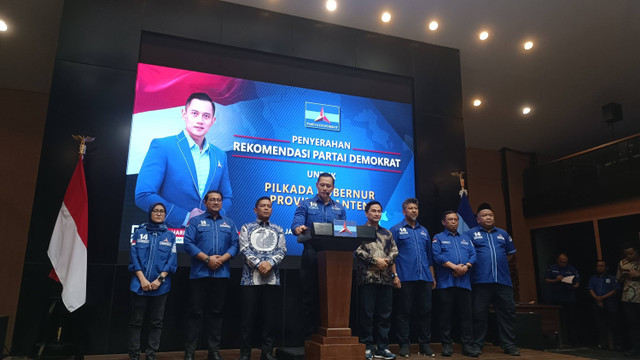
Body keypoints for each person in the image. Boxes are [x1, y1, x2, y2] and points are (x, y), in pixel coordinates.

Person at [135, 92, 233, 227]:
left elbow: (227, 197)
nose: (200, 120)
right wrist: (185, 217)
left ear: (212, 121)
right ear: (184, 114)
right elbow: (143, 195)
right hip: (168, 235)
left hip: (207, 237)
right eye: (194, 113)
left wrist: (214, 216)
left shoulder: (220, 155)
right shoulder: (163, 146)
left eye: (206, 116)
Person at [183, 190, 239, 360]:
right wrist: (207, 259)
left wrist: (222, 259)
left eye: (219, 200)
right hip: (200, 274)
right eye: (212, 200)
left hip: (221, 274)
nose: (216, 202)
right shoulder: (195, 221)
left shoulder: (229, 223)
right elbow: (188, 243)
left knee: (216, 313)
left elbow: (235, 245)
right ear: (206, 203)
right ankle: (190, 351)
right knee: (195, 313)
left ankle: (213, 351)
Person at [291, 172, 346, 339]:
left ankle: (329, 334)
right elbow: (295, 225)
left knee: (331, 297)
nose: (325, 188)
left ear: (333, 188)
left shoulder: (340, 208)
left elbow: (345, 234)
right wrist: (298, 228)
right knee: (309, 296)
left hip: (333, 257)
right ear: (317, 185)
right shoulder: (305, 204)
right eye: (322, 185)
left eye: (328, 186)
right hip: (311, 254)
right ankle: (309, 337)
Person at [466, 203, 520, 356]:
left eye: (490, 215)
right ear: (478, 219)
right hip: (480, 281)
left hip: (503, 282)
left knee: (507, 314)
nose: (488, 217)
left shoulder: (503, 234)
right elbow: (467, 255)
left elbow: (510, 254)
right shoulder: (470, 234)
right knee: (478, 315)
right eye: (484, 215)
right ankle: (477, 344)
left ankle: (509, 345)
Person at [238, 197, 287, 360]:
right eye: (262, 206)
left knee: (269, 319)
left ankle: (267, 353)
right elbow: (245, 249)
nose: (266, 208)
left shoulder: (278, 229)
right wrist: (260, 264)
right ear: (255, 209)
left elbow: (282, 250)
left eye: (269, 206)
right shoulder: (247, 227)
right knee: (247, 319)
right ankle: (245, 353)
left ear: (272, 210)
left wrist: (270, 263)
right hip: (250, 279)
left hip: (272, 279)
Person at [127, 203, 178, 360]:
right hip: (139, 285)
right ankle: (134, 355)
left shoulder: (170, 236)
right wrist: (142, 279)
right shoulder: (139, 233)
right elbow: (133, 258)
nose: (158, 213)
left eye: (162, 211)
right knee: (136, 322)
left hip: (160, 287)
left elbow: (172, 261)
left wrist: (159, 280)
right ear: (150, 213)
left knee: (156, 322)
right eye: (155, 211)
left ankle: (151, 355)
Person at [389, 198, 436, 358]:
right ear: (404, 212)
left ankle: (424, 345)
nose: (414, 211)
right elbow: (391, 256)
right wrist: (395, 275)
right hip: (405, 277)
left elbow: (429, 256)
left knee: (425, 312)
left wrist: (432, 277)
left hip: (425, 277)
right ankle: (404, 345)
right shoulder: (395, 229)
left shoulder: (424, 231)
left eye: (416, 208)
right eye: (410, 208)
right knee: (404, 312)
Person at [356, 201, 399, 360]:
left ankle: (382, 347)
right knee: (367, 315)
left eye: (379, 211)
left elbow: (395, 250)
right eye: (373, 211)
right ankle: (367, 346)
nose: (376, 214)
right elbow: (357, 250)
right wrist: (375, 261)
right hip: (367, 278)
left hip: (386, 278)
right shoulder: (359, 231)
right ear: (366, 213)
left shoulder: (387, 233)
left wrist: (386, 261)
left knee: (384, 315)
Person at [432, 211, 478, 357]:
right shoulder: (438, 238)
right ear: (443, 222)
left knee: (466, 316)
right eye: (450, 219)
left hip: (464, 283)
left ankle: (468, 346)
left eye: (455, 220)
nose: (453, 222)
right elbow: (437, 256)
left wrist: (466, 267)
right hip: (446, 283)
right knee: (445, 316)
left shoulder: (465, 238)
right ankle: (446, 345)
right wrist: (455, 267)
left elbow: (473, 254)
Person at [545, 253, 581, 345]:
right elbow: (547, 280)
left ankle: (573, 341)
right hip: (556, 297)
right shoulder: (552, 268)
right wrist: (556, 280)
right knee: (557, 320)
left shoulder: (571, 269)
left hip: (569, 297)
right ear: (558, 260)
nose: (563, 264)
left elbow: (577, 282)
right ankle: (557, 341)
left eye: (565, 262)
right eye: (562, 262)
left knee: (571, 320)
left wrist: (575, 285)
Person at [587, 259, 620, 350]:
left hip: (610, 304)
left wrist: (603, 297)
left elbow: (614, 291)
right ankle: (602, 344)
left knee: (613, 324)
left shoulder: (612, 278)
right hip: (597, 303)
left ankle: (616, 345)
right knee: (600, 325)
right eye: (598, 266)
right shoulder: (593, 278)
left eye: (602, 266)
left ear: (606, 267)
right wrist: (597, 298)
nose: (599, 268)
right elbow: (590, 289)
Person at [617, 242, 640, 357]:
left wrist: (638, 275)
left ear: (636, 251)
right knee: (633, 325)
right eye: (627, 254)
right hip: (628, 297)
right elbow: (618, 279)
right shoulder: (622, 263)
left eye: (631, 253)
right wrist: (622, 276)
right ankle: (635, 348)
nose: (629, 256)